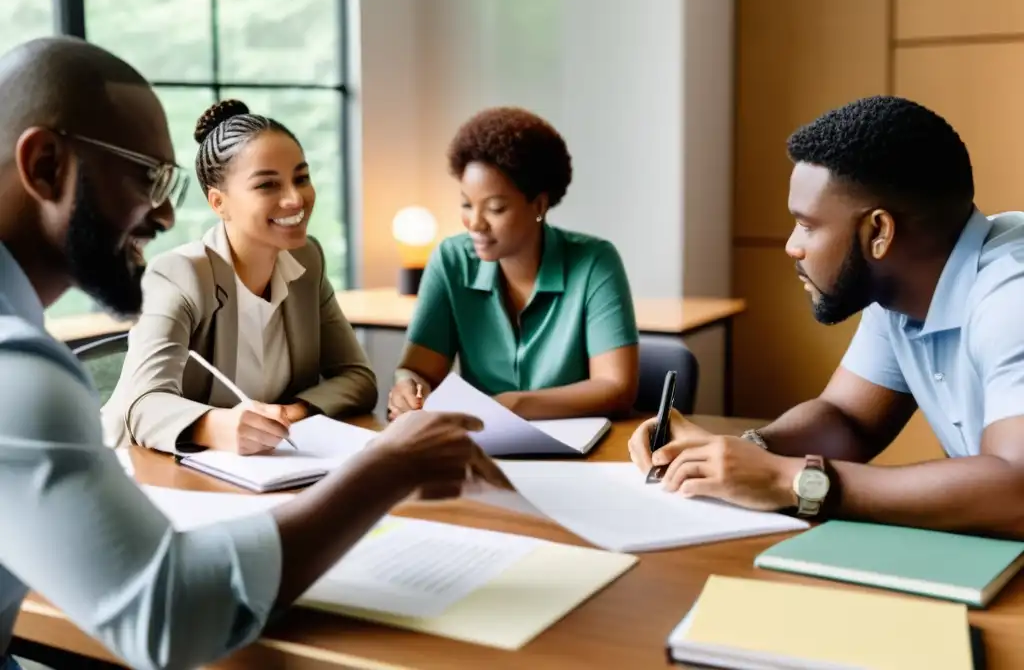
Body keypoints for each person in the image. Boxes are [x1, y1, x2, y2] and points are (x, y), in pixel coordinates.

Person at [0, 36, 506, 670]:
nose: (162, 213)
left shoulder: (305, 260)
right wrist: (384, 470)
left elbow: (354, 376)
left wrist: (295, 413)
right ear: (45, 166)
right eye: (145, 176)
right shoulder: (17, 369)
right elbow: (168, 616)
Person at [628, 95, 1024, 538]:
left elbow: (1016, 490)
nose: (791, 246)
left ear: (879, 232)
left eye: (808, 225)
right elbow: (846, 418)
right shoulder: (902, 288)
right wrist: (745, 452)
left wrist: (788, 480)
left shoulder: (1013, 297)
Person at [101, 99, 376, 455]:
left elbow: (358, 378)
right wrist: (216, 426)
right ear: (218, 203)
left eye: (301, 178)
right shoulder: (178, 275)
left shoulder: (307, 260)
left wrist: (288, 415)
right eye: (267, 185)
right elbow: (143, 405)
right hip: (141, 471)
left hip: (260, 469)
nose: (295, 199)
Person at [386, 106, 639, 421]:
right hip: (480, 447)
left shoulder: (594, 263)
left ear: (539, 204)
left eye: (495, 208)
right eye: (466, 203)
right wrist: (408, 387)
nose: (474, 223)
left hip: (579, 451)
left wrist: (510, 406)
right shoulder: (451, 261)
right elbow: (418, 369)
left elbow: (617, 386)